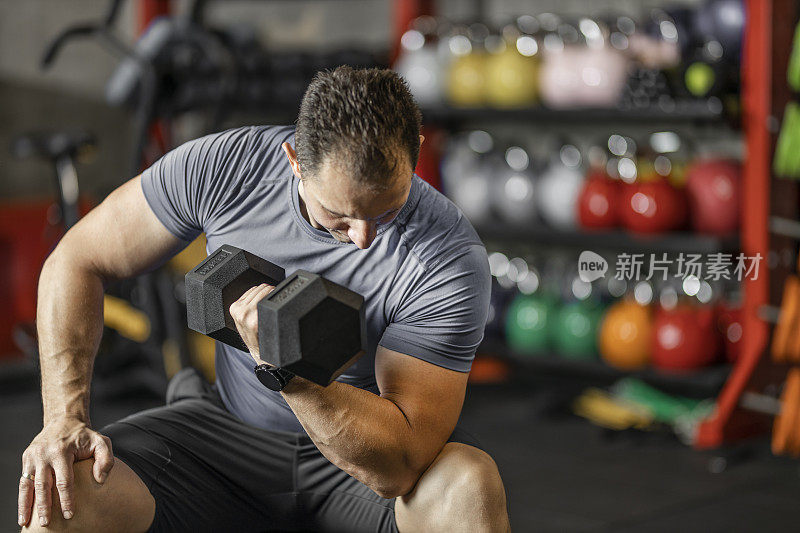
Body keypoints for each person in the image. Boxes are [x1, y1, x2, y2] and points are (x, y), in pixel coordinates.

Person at [17, 66, 509, 532]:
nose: (363, 237)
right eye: (338, 216)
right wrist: (64, 417)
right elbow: (77, 259)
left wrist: (288, 372)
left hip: (360, 464)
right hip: (225, 438)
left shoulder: (448, 257)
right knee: (61, 496)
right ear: (294, 160)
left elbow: (397, 468)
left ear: (416, 151)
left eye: (386, 210)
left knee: (468, 486)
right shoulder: (227, 169)